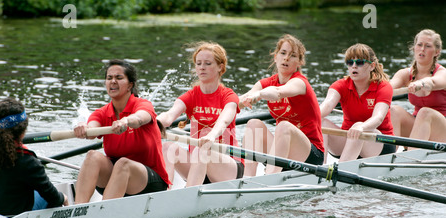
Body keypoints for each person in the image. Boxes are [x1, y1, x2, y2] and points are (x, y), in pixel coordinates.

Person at [73, 59, 170, 203]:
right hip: (115, 178)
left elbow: (139, 118)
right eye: (109, 78)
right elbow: (92, 129)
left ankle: (102, 213)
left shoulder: (143, 105)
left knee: (123, 163)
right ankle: (77, 209)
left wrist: (126, 121)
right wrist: (83, 127)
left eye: (119, 78)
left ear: (130, 85)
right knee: (92, 156)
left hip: (150, 181)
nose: (113, 81)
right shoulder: (102, 112)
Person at [157, 41, 243, 187]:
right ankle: (163, 193)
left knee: (202, 150)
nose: (202, 67)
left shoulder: (228, 96)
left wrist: (211, 135)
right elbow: (169, 115)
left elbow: (224, 120)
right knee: (168, 147)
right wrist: (154, 122)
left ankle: (187, 196)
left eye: (208, 63)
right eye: (198, 63)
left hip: (227, 166)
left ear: (220, 67)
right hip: (197, 162)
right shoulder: (191, 96)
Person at [239, 34, 324, 176]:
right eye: (283, 53)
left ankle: (270, 177)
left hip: (311, 154)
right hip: (283, 153)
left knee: (283, 126)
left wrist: (259, 95)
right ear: (275, 57)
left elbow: (278, 92)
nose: (286, 58)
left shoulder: (300, 83)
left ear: (299, 62)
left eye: (292, 55)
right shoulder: (265, 82)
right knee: (253, 124)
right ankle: (247, 179)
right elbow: (239, 101)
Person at [320, 43, 395, 162]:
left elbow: (378, 117)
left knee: (357, 126)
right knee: (320, 121)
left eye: (359, 62)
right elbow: (326, 106)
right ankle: (319, 170)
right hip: (348, 140)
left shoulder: (383, 86)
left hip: (379, 144)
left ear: (372, 66)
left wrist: (361, 127)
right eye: (350, 63)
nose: (354, 66)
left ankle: (340, 171)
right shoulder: (340, 85)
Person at [0, 98, 68, 216]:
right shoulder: (28, 162)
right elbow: (52, 197)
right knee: (51, 196)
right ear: (23, 132)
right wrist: (63, 197)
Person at [390, 29, 446, 147]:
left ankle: (411, 158)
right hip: (418, 127)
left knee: (425, 112)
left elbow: (432, 82)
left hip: (441, 130)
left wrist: (421, 83)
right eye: (419, 45)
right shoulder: (404, 74)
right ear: (414, 48)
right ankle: (390, 154)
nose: (422, 49)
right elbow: (387, 89)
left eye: (428, 46)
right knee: (394, 110)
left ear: (436, 52)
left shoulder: (442, 73)